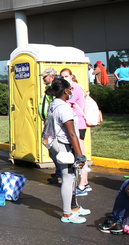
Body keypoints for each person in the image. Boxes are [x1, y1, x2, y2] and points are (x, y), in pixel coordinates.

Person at [42, 78, 89, 224]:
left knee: (72, 177)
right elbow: (72, 134)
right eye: (70, 88)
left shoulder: (54, 104)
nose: (71, 91)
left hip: (58, 146)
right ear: (65, 91)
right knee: (68, 179)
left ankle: (73, 207)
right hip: (65, 147)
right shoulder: (63, 108)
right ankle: (67, 214)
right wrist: (80, 155)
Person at [60, 68, 91, 196]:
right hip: (76, 124)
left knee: (80, 154)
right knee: (79, 152)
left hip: (79, 124)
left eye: (66, 75)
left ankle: (82, 186)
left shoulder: (75, 89)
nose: (64, 78)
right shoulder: (71, 88)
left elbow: (67, 104)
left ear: (71, 76)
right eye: (62, 76)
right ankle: (85, 182)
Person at [38, 67, 62, 185]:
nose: (43, 79)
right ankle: (59, 173)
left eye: (45, 76)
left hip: (52, 124)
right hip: (48, 122)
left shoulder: (55, 89)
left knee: (53, 148)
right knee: (50, 148)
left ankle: (60, 175)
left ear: (52, 76)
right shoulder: (48, 88)